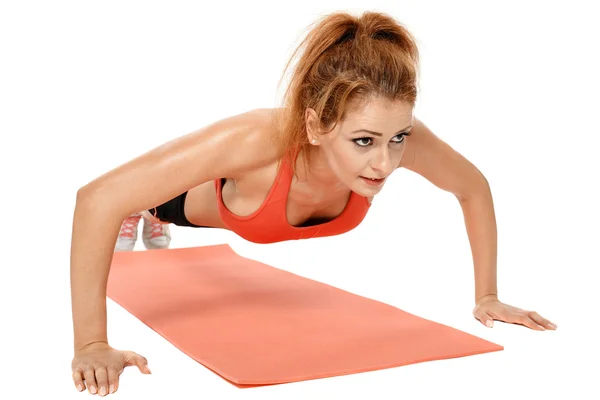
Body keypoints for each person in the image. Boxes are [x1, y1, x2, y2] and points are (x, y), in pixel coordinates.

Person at [69, 10, 557, 396]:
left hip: (249, 204)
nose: (386, 163)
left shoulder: (399, 141)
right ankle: (148, 210)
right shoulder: (255, 139)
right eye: (364, 141)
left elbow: (473, 188)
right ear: (317, 124)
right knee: (146, 201)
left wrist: (487, 295)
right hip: (199, 203)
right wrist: (92, 344)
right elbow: (94, 199)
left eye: (398, 138)